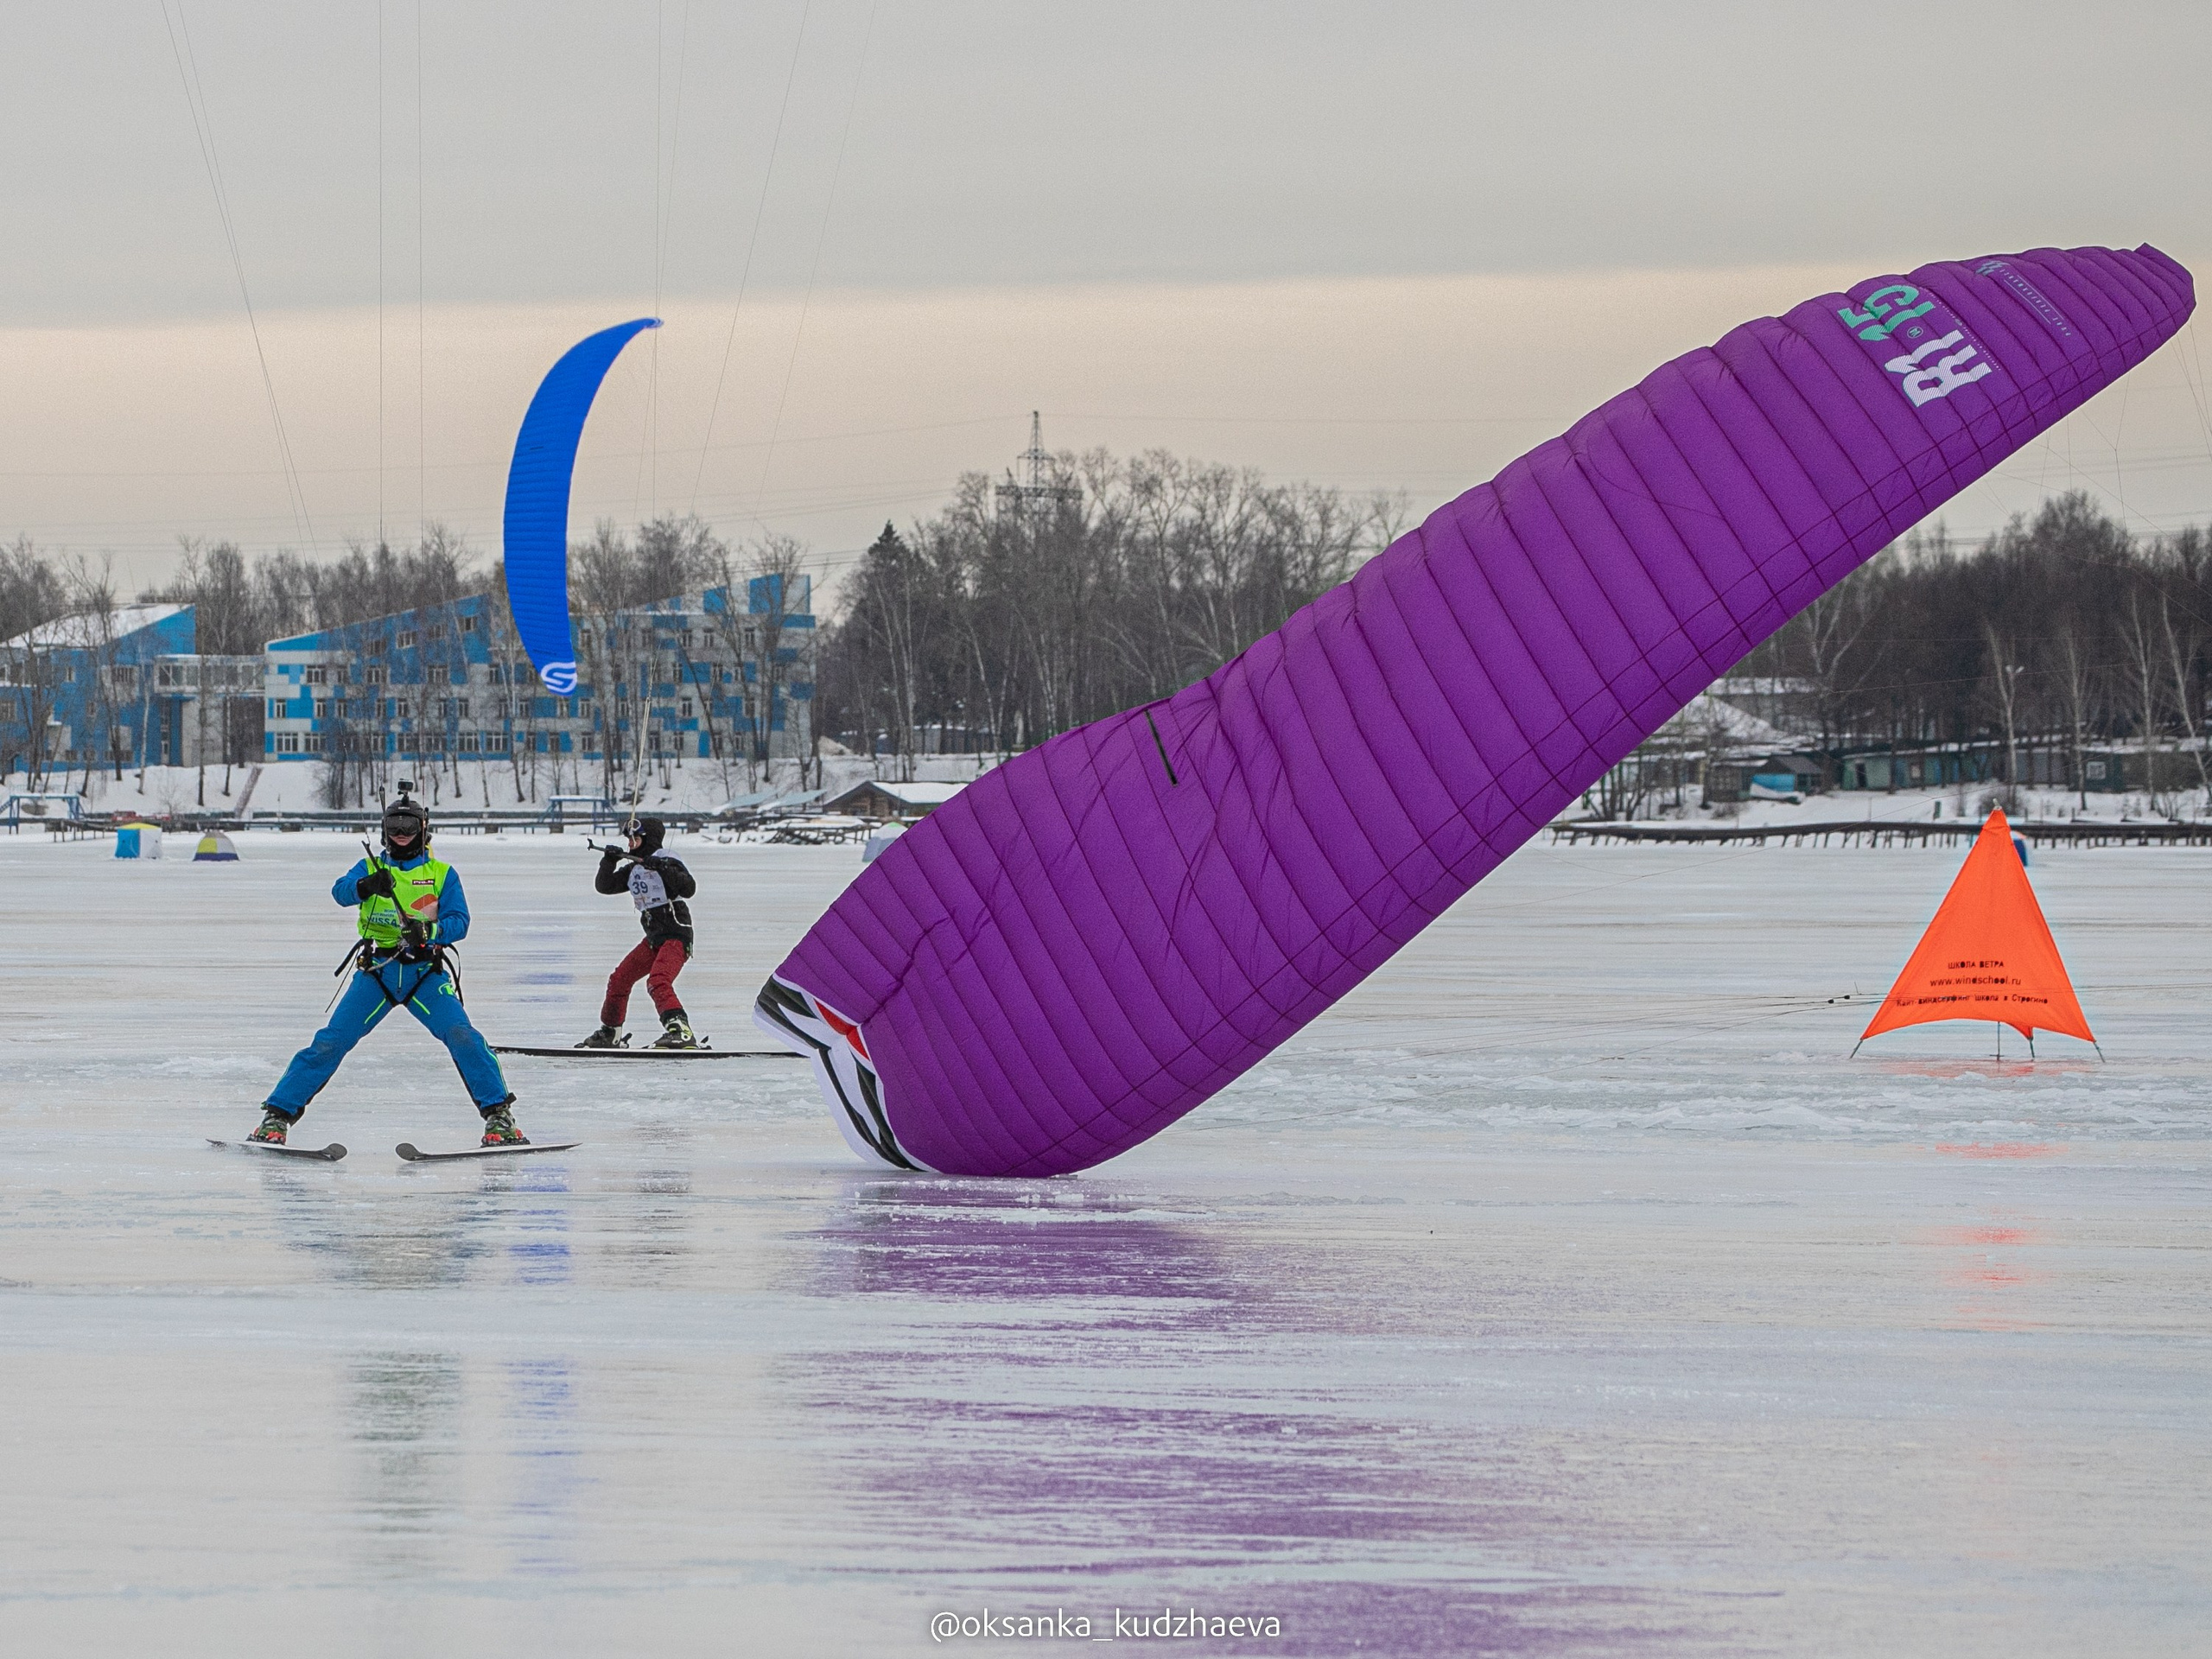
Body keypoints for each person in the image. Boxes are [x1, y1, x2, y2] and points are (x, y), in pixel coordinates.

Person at [249, 791, 524, 1146]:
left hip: (424, 973)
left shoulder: (441, 873)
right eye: (394, 826)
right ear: (383, 830)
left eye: (409, 826)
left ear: (424, 830)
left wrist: (429, 931)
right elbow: (341, 892)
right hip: (377, 971)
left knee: (463, 1037)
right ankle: (277, 1116)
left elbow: (460, 922)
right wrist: (365, 886)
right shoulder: (370, 867)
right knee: (330, 1042)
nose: (401, 833)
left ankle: (499, 1116)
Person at [578, 815, 699, 1050]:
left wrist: (663, 870)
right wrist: (609, 862)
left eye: (635, 838)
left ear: (649, 839)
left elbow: (689, 888)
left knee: (658, 981)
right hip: (654, 940)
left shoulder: (668, 860)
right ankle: (610, 1032)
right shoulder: (635, 868)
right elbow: (605, 886)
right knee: (619, 980)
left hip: (676, 935)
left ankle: (681, 1032)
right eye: (628, 838)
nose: (630, 842)